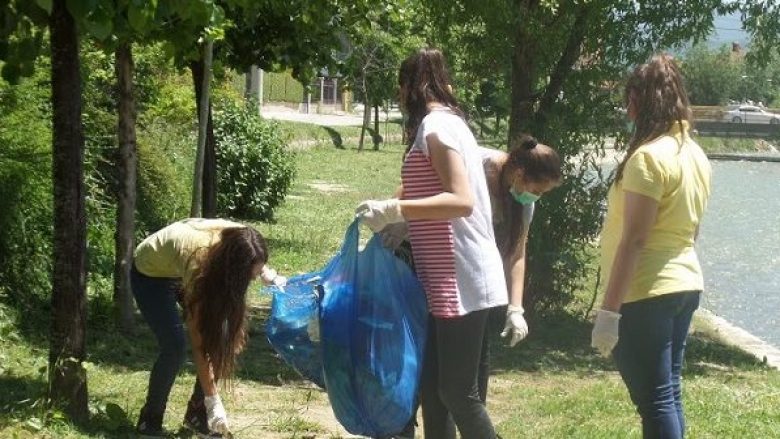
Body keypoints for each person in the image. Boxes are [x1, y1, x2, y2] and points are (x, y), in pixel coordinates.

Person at [355, 48, 506, 439]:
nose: (399, 98)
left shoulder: (436, 128)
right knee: (434, 390)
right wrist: (404, 227)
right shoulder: (448, 125)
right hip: (444, 277)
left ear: (410, 87)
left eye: (400, 90)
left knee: (458, 392)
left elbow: (461, 200)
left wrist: (394, 208)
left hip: (461, 277)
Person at [382, 135, 563, 437]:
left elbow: (517, 254)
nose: (536, 198)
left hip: (471, 288)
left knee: (461, 392)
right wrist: (391, 217)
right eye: (537, 190)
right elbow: (414, 190)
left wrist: (515, 308)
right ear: (519, 173)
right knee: (437, 383)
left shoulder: (520, 200)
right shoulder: (471, 163)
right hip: (431, 272)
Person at [591, 54, 712, 439]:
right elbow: (692, 230)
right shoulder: (694, 153)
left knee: (656, 401)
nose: (626, 110)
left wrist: (609, 310)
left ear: (642, 101)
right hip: (684, 284)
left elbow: (636, 238)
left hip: (646, 291)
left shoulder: (648, 157)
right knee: (667, 394)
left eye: (629, 100)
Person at [132, 218, 285, 438]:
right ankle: (150, 420)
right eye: (248, 276)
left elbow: (250, 256)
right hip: (151, 273)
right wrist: (214, 401)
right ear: (234, 270)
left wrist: (265, 273)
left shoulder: (241, 237)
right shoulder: (199, 264)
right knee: (175, 347)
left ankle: (197, 415)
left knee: (222, 338)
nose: (250, 280)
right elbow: (199, 343)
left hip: (180, 264)